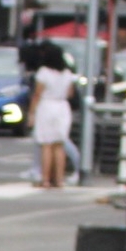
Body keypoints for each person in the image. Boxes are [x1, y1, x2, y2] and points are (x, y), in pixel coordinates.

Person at [31, 45, 79, 189]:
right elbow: (70, 93)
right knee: (59, 145)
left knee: (46, 144)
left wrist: (32, 113)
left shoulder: (43, 72)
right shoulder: (67, 73)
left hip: (47, 106)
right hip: (62, 107)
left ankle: (45, 179)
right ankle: (59, 179)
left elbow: (37, 93)